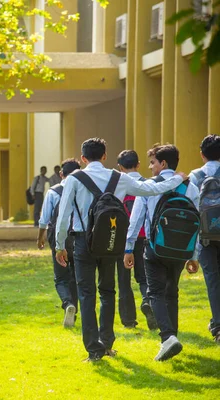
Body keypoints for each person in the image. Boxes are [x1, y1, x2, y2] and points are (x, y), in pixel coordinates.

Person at [55, 138, 188, 362]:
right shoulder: (119, 178)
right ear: (105, 156)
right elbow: (151, 189)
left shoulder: (74, 179)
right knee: (108, 292)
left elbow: (63, 215)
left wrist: (60, 246)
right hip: (110, 241)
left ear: (83, 159)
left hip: (82, 242)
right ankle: (107, 343)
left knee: (87, 295)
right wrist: (176, 180)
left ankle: (93, 350)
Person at [125, 144, 199, 361]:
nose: (150, 167)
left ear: (163, 163)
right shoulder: (190, 188)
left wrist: (129, 248)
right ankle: (171, 337)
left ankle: (167, 337)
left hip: (155, 248)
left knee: (155, 293)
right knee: (171, 292)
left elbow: (136, 219)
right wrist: (193, 256)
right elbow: (197, 225)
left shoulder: (149, 186)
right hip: (180, 251)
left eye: (153, 162)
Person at [37, 159, 80, 328]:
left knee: (61, 277)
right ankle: (74, 311)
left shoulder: (54, 192)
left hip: (57, 237)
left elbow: (44, 218)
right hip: (78, 237)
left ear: (61, 174)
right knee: (76, 276)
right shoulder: (83, 190)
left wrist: (40, 237)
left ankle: (67, 303)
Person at [116, 150, 156, 330]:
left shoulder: (117, 186)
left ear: (120, 167)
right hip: (144, 236)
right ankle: (148, 301)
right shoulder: (148, 185)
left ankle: (128, 320)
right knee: (144, 276)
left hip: (121, 237)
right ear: (138, 164)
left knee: (124, 280)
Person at [189, 134, 220, 343]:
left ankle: (218, 325)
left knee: (212, 280)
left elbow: (191, 208)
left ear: (201, 155)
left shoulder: (196, 176)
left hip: (206, 236)